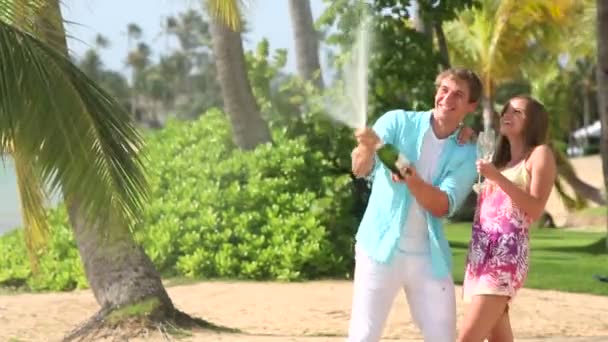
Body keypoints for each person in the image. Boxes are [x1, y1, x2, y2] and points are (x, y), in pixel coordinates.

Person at [349, 67, 482, 342]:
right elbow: (360, 169)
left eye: (458, 94)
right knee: (363, 335)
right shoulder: (397, 121)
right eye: (444, 90)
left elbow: (442, 205)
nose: (448, 98)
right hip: (378, 248)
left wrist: (404, 168)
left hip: (428, 258)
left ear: (471, 106)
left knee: (442, 337)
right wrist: (364, 147)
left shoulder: (467, 152)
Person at [458, 95, 557, 342]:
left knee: (467, 339)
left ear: (533, 122)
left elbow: (534, 210)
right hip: (480, 257)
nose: (507, 115)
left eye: (517, 112)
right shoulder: (499, 162)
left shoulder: (539, 155)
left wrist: (498, 179)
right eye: (506, 111)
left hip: (506, 257)